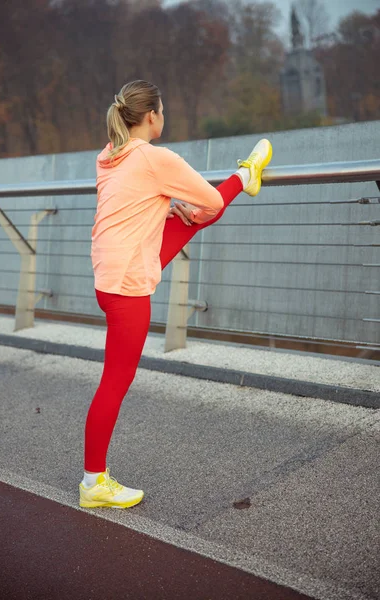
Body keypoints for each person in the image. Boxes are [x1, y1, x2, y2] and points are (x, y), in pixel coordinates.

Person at [79, 79, 272, 509]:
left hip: (108, 275)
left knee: (188, 219)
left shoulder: (109, 154)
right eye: (162, 111)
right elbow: (210, 203)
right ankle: (94, 482)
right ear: (152, 117)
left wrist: (165, 204)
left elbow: (127, 202)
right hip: (128, 284)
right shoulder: (153, 156)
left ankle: (246, 173)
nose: (164, 117)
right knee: (115, 381)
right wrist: (178, 198)